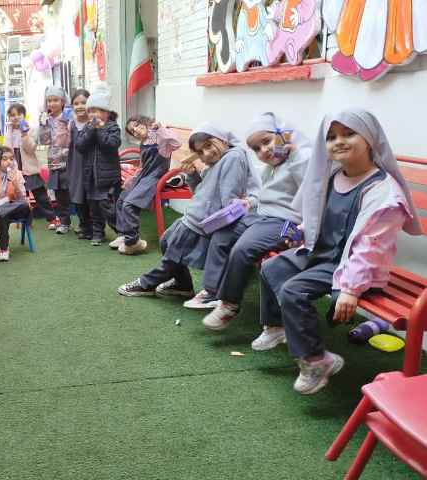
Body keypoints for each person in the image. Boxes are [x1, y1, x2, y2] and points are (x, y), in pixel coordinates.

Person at [256, 108, 422, 395]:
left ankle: (317, 360)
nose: (339, 141)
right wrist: (301, 234)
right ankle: (277, 326)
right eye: (331, 137)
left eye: (349, 133)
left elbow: (371, 248)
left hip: (355, 266)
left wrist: (350, 289)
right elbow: (317, 214)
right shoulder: (333, 177)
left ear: (370, 139)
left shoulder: (384, 193)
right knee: (271, 267)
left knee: (293, 291)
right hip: (323, 253)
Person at [117, 123, 259, 298]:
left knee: (174, 252)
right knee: (166, 241)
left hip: (205, 219)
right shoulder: (217, 161)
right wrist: (192, 175)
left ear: (222, 139)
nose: (206, 154)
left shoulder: (233, 158)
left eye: (209, 145)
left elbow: (228, 200)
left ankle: (147, 283)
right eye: (200, 152)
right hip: (197, 214)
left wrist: (210, 223)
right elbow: (202, 190)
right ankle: (182, 284)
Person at [200, 113, 309, 331]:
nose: (264, 150)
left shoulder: (301, 159)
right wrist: (249, 202)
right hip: (262, 217)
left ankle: (229, 303)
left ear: (284, 135)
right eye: (257, 149)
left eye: (267, 141)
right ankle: (212, 290)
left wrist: (294, 153)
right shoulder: (270, 169)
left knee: (243, 248)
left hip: (285, 222)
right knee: (222, 233)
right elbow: (264, 196)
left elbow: (311, 189)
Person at [110, 116, 182, 255]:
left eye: (137, 125)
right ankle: (123, 235)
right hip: (143, 177)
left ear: (146, 123)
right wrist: (133, 178)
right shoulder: (144, 142)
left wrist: (160, 129)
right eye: (132, 131)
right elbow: (144, 166)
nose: (136, 130)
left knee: (129, 205)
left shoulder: (159, 138)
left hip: (155, 178)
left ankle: (133, 242)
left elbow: (177, 143)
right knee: (121, 200)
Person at [73, 85, 122, 246]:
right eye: (91, 111)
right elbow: (80, 146)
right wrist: (91, 131)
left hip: (108, 177)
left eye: (97, 111)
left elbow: (111, 145)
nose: (93, 114)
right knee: (94, 207)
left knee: (107, 206)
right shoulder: (88, 127)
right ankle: (98, 233)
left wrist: (99, 130)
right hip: (91, 176)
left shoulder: (112, 127)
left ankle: (121, 232)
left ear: (106, 112)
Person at [6, 102, 57, 226]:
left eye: (19, 114)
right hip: (17, 169)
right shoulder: (9, 132)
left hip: (30, 168)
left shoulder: (31, 130)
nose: (16, 117)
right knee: (21, 196)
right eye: (12, 115)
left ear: (24, 115)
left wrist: (24, 135)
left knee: (40, 195)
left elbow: (31, 149)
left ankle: (52, 218)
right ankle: (26, 220)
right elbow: (7, 150)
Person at [0, 146, 32, 261]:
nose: (9, 162)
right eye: (4, 159)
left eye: (11, 159)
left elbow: (22, 198)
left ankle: (0, 211)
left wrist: (16, 184)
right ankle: (4, 249)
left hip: (16, 209)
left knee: (23, 204)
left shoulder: (17, 174)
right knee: (1, 214)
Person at [38, 86, 72, 233]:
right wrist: (43, 124)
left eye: (56, 100)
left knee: (74, 191)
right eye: (49, 100)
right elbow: (44, 141)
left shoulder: (68, 116)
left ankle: (85, 224)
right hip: (54, 161)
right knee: (59, 194)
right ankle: (64, 222)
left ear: (63, 101)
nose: (52, 103)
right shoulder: (46, 119)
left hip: (70, 160)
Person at [67, 89, 93, 239]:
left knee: (90, 196)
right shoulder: (71, 124)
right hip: (75, 163)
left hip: (90, 162)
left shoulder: (93, 122)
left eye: (83, 102)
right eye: (76, 103)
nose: (80, 106)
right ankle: (84, 224)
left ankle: (92, 227)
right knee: (77, 194)